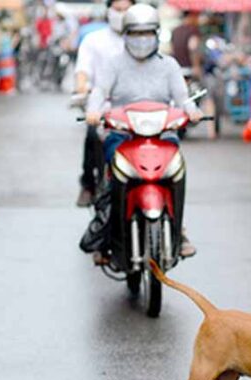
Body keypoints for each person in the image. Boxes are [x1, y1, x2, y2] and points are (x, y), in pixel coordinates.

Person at [81, 4, 202, 261]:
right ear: (125, 34)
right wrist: (93, 111)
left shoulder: (168, 65)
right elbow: (99, 92)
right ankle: (106, 235)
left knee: (176, 170)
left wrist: (191, 111)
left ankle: (179, 230)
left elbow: (182, 98)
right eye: (136, 33)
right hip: (124, 134)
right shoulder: (113, 64)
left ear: (157, 34)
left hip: (161, 134)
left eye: (147, 33)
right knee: (112, 174)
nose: (141, 39)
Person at [72, 0, 133, 207]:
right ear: (108, 10)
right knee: (92, 134)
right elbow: (83, 72)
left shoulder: (143, 40)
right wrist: (83, 89)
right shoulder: (93, 40)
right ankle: (88, 184)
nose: (122, 14)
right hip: (103, 107)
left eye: (127, 9)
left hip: (138, 110)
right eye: (118, 9)